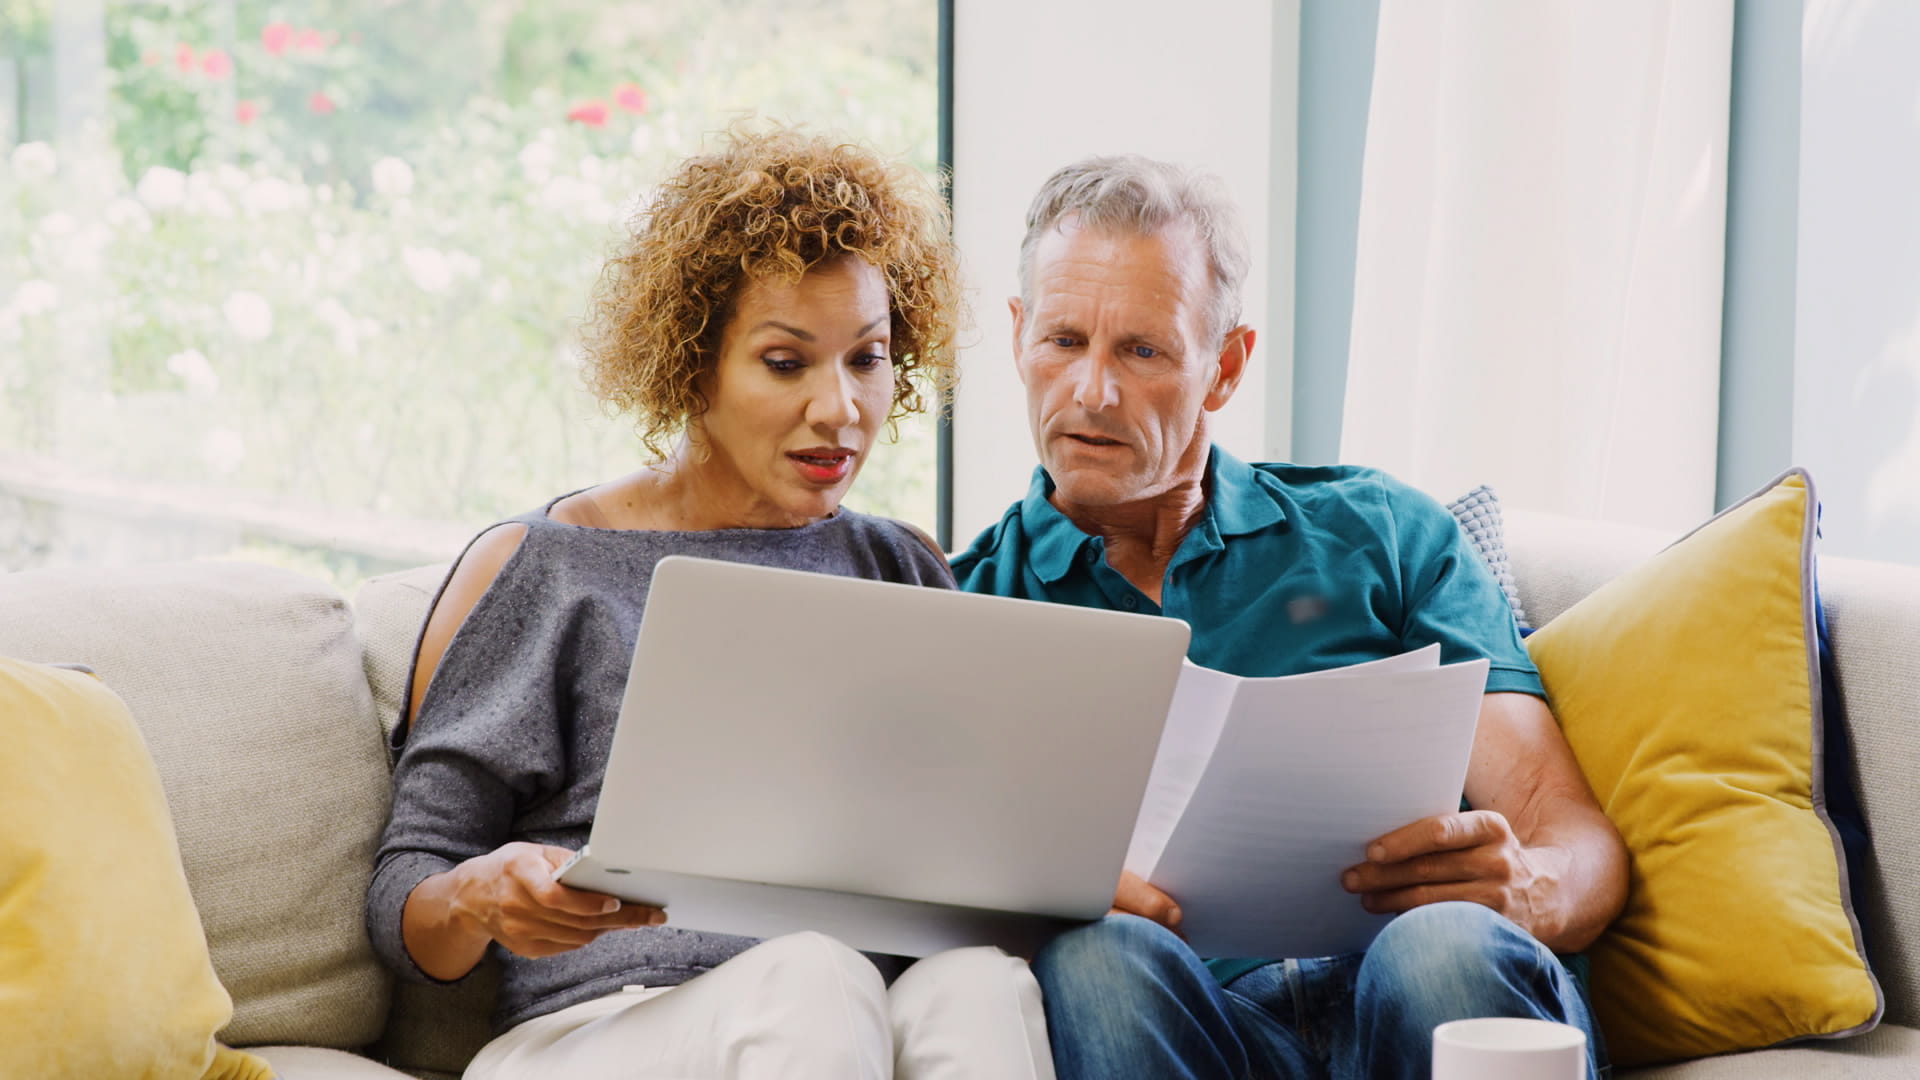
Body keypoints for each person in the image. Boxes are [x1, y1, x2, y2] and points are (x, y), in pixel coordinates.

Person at [365, 126, 1053, 1080]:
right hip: (600, 1032)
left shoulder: (899, 564)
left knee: (980, 985)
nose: (841, 408)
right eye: (786, 362)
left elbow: (975, 853)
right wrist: (482, 897)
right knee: (809, 977)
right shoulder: (550, 566)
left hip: (854, 1014)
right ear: (693, 364)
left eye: (867, 358)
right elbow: (406, 897)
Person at [951, 154, 1628, 1080]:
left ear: (1224, 367)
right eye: (1065, 341)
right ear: (1020, 337)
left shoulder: (1384, 533)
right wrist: (1028, 905)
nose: (1092, 392)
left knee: (1441, 946)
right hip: (1193, 1025)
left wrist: (1532, 888)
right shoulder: (966, 604)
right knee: (1099, 957)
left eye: (1141, 351)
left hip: (1413, 1000)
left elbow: (1571, 830)